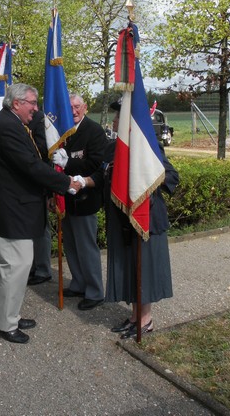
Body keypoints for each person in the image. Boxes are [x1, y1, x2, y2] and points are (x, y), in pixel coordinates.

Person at [0, 83, 82, 344]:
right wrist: (65, 182)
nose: (36, 109)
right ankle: (5, 323)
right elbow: (29, 165)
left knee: (12, 268)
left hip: (14, 209)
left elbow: (30, 162)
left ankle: (8, 316)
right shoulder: (8, 126)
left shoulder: (10, 122)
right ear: (16, 103)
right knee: (15, 268)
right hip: (11, 211)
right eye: (33, 103)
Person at [86, 100, 179, 338]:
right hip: (120, 222)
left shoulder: (148, 146)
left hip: (145, 220)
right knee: (129, 269)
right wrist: (80, 181)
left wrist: (143, 180)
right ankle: (135, 317)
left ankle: (146, 320)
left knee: (143, 270)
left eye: (118, 117)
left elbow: (171, 176)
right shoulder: (112, 148)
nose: (114, 121)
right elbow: (103, 174)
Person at [52, 93, 107, 310]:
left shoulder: (94, 131)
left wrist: (69, 163)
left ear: (84, 107)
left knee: (86, 247)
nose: (73, 111)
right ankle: (78, 283)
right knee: (71, 246)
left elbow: (96, 164)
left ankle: (94, 291)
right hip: (65, 199)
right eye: (70, 107)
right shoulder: (62, 131)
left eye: (77, 107)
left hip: (85, 199)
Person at [27, 108, 53, 286]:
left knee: (41, 228)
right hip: (25, 183)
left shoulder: (39, 120)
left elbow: (44, 149)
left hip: (38, 181)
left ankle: (43, 269)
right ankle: (32, 266)